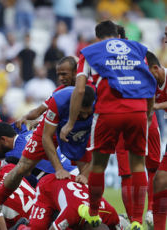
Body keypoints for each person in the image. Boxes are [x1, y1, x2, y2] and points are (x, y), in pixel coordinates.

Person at [59, 20, 156, 229]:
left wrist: (70, 123)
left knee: (100, 165)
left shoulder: (90, 51)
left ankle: (93, 213)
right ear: (119, 36)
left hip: (108, 113)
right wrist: (147, 114)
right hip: (138, 111)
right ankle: (137, 221)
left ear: (98, 38)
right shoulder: (138, 49)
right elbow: (150, 81)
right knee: (138, 165)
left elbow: (80, 90)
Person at [0, 85, 95, 228]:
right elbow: (44, 136)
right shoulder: (55, 103)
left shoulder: (12, 155)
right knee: (22, 169)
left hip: (65, 166)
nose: (83, 116)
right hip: (55, 140)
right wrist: (58, 169)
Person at [0, 122, 77, 187]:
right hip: (76, 166)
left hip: (68, 178)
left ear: (3, 139)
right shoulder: (29, 132)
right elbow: (18, 123)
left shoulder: (14, 155)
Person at [20, 174, 121, 230]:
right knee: (37, 228)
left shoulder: (111, 213)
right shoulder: (72, 212)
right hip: (48, 187)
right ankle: (21, 227)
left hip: (70, 188)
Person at [145, 49, 167, 230]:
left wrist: (157, 106)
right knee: (159, 181)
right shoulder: (151, 85)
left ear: (155, 68)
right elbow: (148, 112)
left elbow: (154, 107)